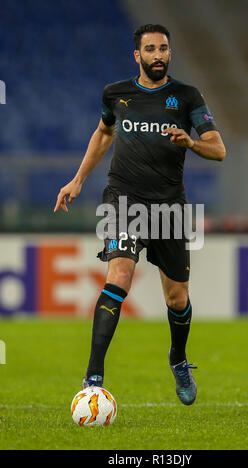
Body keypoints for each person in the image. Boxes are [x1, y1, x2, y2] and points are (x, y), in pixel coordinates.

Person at [54, 24, 226, 406]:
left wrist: (191, 141)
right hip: (123, 201)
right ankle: (93, 378)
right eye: (151, 49)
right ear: (138, 55)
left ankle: (178, 359)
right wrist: (78, 179)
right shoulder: (116, 94)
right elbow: (103, 133)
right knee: (120, 273)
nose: (159, 55)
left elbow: (219, 150)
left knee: (177, 298)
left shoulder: (186, 97)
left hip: (169, 206)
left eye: (164, 48)